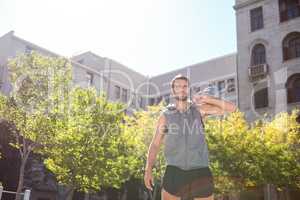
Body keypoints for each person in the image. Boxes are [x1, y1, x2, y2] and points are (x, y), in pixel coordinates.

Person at [144, 74, 237, 200]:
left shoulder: (199, 110)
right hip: (174, 171)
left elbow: (232, 108)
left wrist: (208, 98)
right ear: (173, 90)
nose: (182, 89)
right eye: (178, 86)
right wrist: (148, 169)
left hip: (200, 170)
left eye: (185, 86)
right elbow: (155, 144)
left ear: (188, 89)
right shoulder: (165, 116)